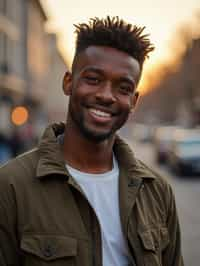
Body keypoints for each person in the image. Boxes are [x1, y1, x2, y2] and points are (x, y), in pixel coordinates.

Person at [0, 16, 184, 266]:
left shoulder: (157, 191)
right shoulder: (10, 186)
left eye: (123, 88)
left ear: (134, 101)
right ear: (68, 82)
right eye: (93, 79)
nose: (106, 96)